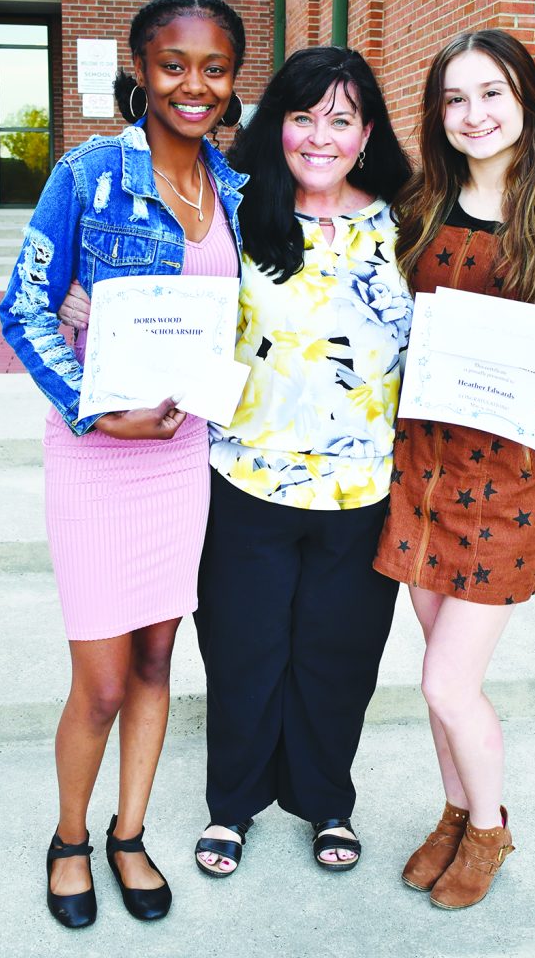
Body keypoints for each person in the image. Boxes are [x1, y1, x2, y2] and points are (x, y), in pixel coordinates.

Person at [0, 0, 247, 927]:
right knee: (100, 681)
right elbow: (25, 307)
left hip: (181, 458)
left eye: (214, 67)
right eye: (174, 64)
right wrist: (95, 411)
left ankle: (128, 833)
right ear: (142, 70)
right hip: (100, 457)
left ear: (233, 80)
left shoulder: (236, 191)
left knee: (155, 658)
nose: (195, 84)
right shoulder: (88, 171)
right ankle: (69, 837)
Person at [373, 28, 535, 909]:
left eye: (492, 94)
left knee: (448, 679)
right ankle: (453, 812)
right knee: (435, 673)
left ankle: (488, 830)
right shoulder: (417, 206)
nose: (473, 114)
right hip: (423, 470)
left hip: (508, 483)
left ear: (525, 102)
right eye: (455, 98)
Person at [191, 46, 413, 877]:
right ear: (274, 122)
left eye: (342, 119)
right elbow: (167, 292)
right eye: (303, 115)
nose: (320, 136)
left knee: (339, 654)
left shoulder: (406, 221)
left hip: (364, 487)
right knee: (243, 650)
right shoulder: (234, 212)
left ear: (366, 134)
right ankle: (233, 806)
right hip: (246, 475)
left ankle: (327, 802)